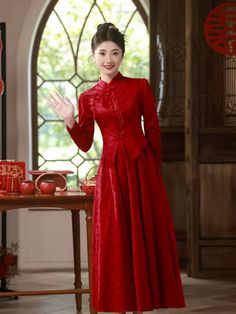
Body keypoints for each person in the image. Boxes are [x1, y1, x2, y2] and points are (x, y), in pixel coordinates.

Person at [49, 22, 185, 313]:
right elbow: (85, 143)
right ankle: (120, 303)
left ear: (122, 56)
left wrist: (154, 171)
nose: (108, 59)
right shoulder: (87, 98)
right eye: (102, 53)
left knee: (144, 232)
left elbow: (154, 129)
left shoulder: (140, 87)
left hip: (142, 168)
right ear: (93, 56)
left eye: (114, 52)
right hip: (111, 172)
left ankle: (144, 302)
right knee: (117, 236)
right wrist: (70, 120)